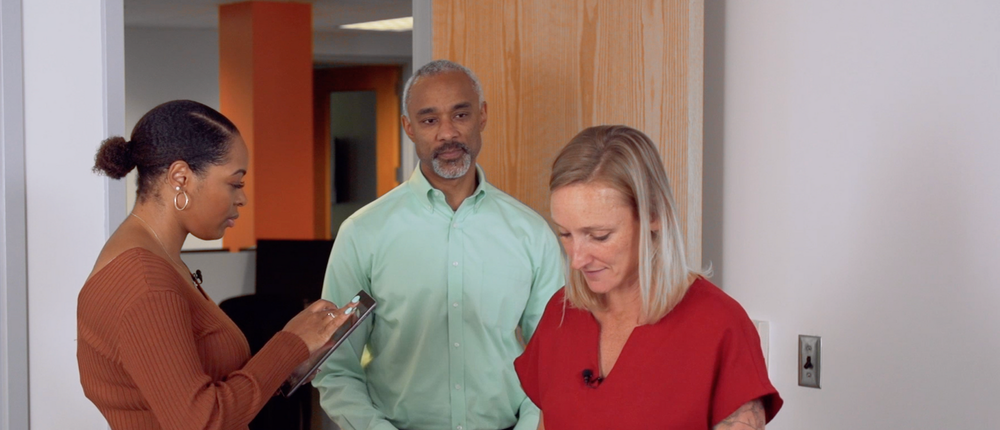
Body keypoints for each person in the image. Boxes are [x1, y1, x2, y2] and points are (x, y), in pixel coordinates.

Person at [313, 60, 564, 430]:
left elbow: (555, 359)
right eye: (430, 120)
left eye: (460, 114)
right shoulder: (362, 234)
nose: (448, 133)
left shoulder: (530, 233)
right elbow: (335, 368)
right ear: (408, 127)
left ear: (482, 116)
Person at [78, 100, 357, 430]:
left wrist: (293, 362)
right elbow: (202, 421)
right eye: (235, 183)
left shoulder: (157, 261)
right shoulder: (145, 283)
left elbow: (206, 390)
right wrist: (290, 343)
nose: (242, 198)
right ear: (180, 177)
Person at [514, 125, 783, 429]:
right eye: (565, 233)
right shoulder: (560, 314)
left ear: (654, 215)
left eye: (599, 236)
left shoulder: (721, 327)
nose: (577, 259)